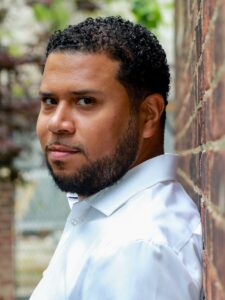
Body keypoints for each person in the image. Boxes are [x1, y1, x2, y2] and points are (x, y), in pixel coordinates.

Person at [30, 16, 202, 299]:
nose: (57, 123)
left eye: (85, 101)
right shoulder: (104, 212)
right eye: (50, 101)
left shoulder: (136, 248)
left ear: (148, 115)